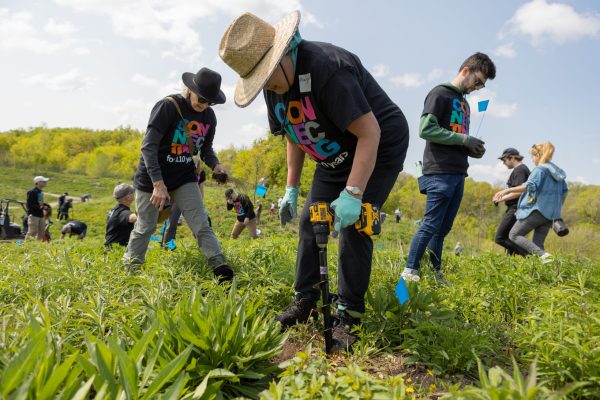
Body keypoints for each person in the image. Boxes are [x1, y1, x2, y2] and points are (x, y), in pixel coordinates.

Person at [219, 10, 410, 350]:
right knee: (310, 221)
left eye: (268, 77)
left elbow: (370, 133)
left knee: (356, 225)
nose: (268, 87)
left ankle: (349, 314)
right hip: (332, 154)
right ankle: (305, 299)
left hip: (376, 146)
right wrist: (292, 187)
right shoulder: (273, 86)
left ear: (282, 55)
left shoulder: (329, 70)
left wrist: (353, 192)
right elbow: (293, 133)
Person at [122, 67, 234, 282]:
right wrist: (158, 183)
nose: (204, 104)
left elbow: (206, 149)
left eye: (210, 102)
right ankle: (130, 272)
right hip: (153, 178)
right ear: (190, 90)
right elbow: (148, 147)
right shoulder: (168, 107)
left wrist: (216, 166)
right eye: (202, 98)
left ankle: (220, 267)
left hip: (184, 177)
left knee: (201, 222)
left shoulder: (209, 116)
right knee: (146, 226)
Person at [401, 52, 496, 283]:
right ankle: (409, 272)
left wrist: (471, 148)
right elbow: (426, 129)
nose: (478, 88)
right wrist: (464, 140)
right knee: (430, 223)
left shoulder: (464, 104)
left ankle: (435, 274)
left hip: (458, 172)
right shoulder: (440, 93)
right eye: (478, 82)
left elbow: (454, 137)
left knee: (442, 229)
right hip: (439, 172)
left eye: (482, 85)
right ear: (466, 71)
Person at [499, 143, 568, 263]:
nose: (532, 159)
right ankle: (543, 273)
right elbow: (564, 192)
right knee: (537, 243)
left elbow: (529, 185)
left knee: (514, 235)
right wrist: (556, 208)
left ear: (538, 155)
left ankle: (547, 257)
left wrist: (507, 190)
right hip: (552, 215)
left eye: (532, 156)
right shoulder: (558, 173)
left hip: (538, 210)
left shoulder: (540, 169)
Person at [492, 148, 530, 255]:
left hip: (516, 208)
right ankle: (509, 265)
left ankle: (530, 256)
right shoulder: (519, 170)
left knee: (500, 238)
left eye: (504, 160)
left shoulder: (520, 170)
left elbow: (520, 191)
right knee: (510, 238)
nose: (503, 163)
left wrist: (502, 198)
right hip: (515, 208)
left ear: (512, 158)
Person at [162, 168, 209, 246]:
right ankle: (168, 248)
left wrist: (200, 203)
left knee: (198, 224)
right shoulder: (182, 166)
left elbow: (201, 188)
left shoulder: (201, 172)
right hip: (176, 198)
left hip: (191, 199)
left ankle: (204, 247)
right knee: (171, 225)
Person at [105, 183, 138, 248]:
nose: (134, 193)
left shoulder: (114, 210)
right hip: (116, 250)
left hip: (110, 247)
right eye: (132, 192)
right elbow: (134, 218)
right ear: (128, 197)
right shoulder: (123, 212)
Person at [25, 176, 49, 241]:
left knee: (41, 232)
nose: (45, 183)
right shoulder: (32, 191)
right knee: (32, 232)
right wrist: (40, 207)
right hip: (33, 215)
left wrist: (44, 206)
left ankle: (37, 245)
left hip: (40, 215)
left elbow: (40, 203)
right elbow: (29, 204)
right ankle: (25, 246)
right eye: (43, 181)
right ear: (38, 182)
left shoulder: (39, 192)